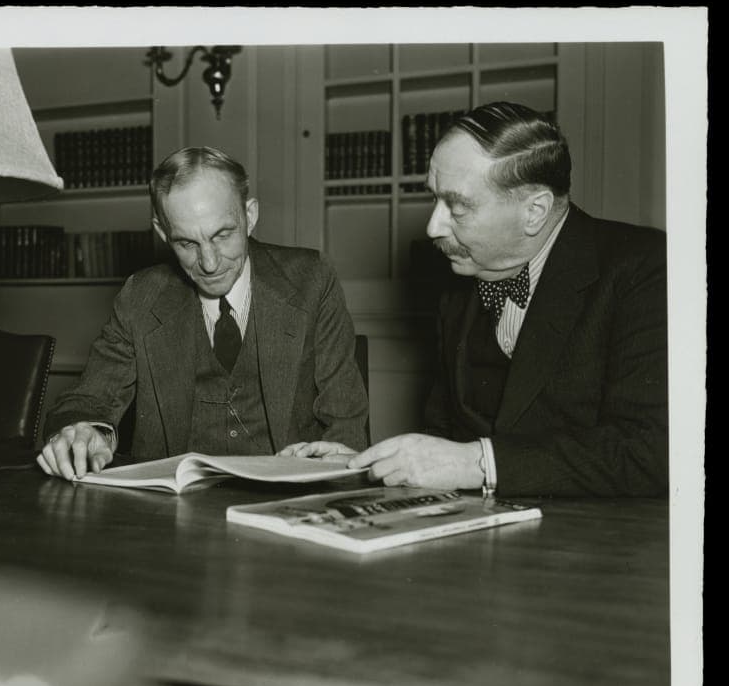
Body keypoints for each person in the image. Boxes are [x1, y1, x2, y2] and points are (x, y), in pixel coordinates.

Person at [281, 102, 668, 497]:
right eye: (434, 199)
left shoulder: (646, 269)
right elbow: (444, 441)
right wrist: (362, 468)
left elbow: (652, 452)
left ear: (534, 211)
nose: (434, 226)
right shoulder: (461, 278)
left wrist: (479, 463)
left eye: (458, 206)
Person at [38, 146, 368, 479]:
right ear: (163, 233)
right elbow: (87, 401)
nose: (209, 263)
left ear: (250, 216)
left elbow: (345, 422)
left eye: (222, 235)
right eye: (186, 243)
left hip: (287, 501)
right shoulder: (141, 296)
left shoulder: (311, 279)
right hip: (171, 513)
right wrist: (84, 433)